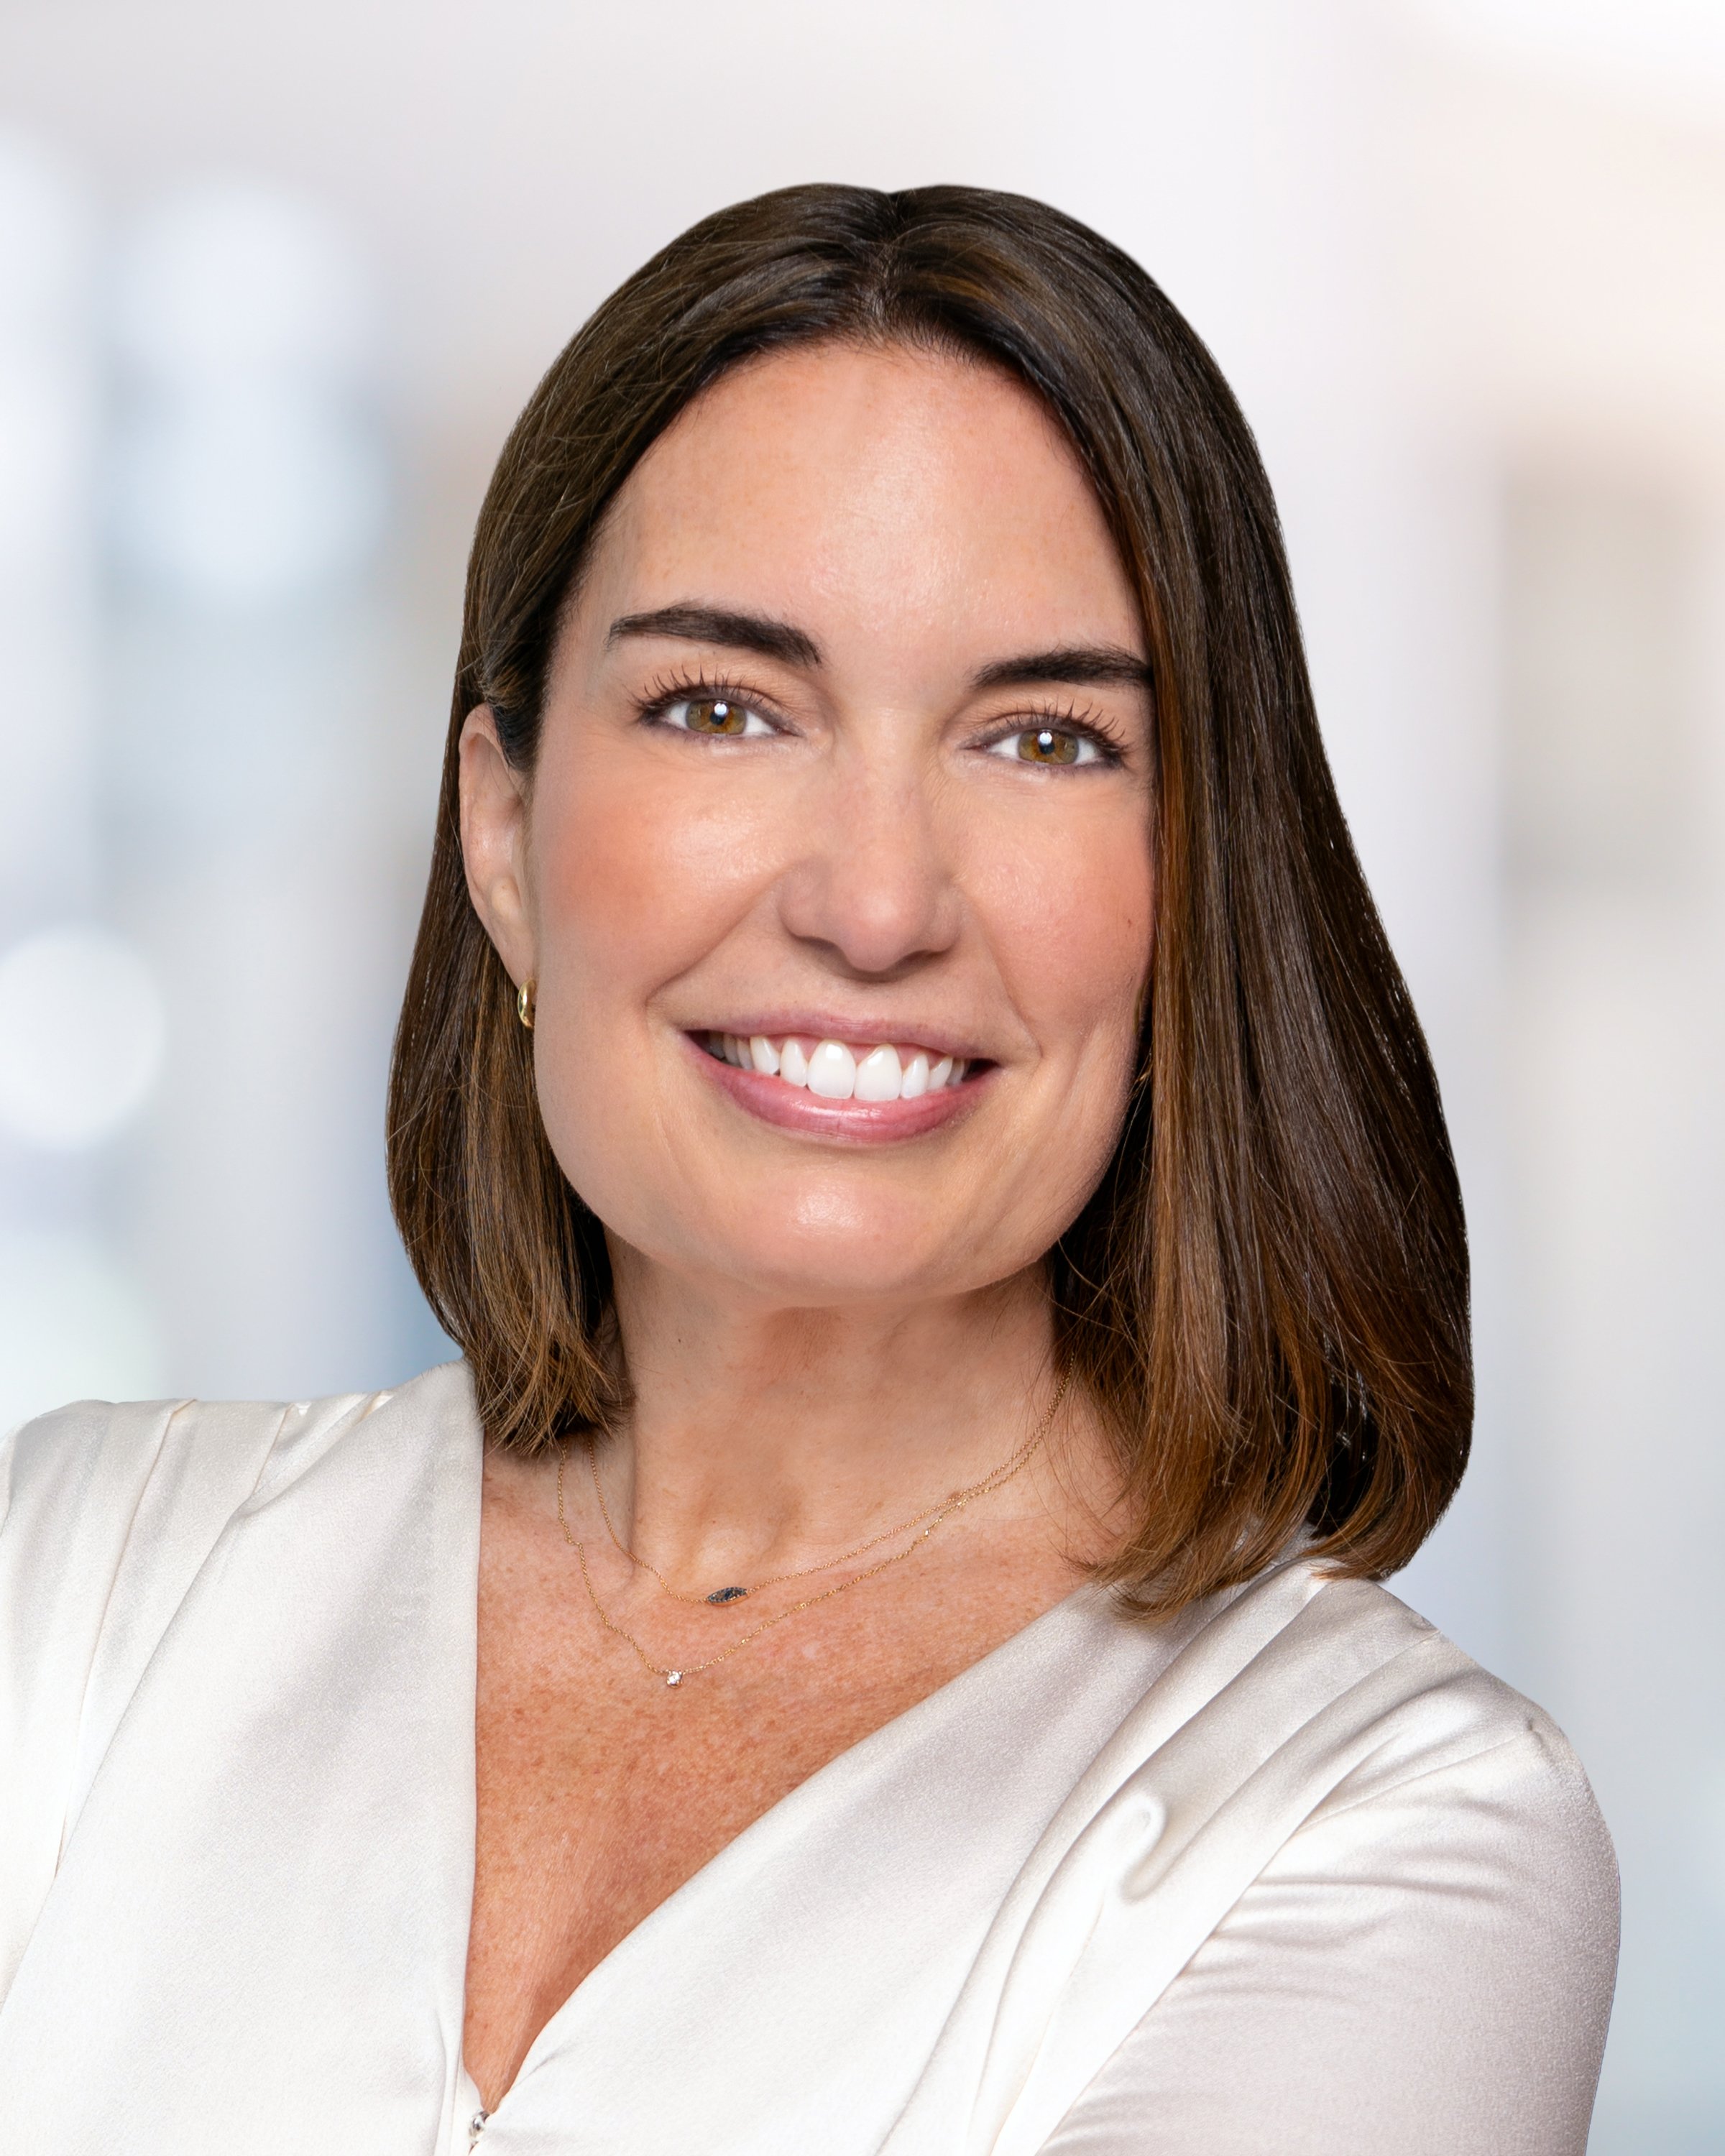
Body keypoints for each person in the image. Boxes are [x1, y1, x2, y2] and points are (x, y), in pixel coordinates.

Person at [0, 185, 1616, 2154]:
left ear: (1192, 886)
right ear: (505, 837)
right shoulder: (76, 1585)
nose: (873, 903)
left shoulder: (1380, 1822)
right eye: (723, 708)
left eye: (1041, 742)